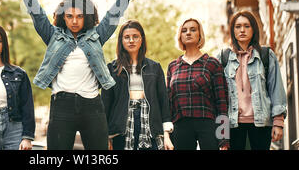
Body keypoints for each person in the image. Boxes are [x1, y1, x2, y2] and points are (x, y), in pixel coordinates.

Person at [10, 0, 146, 150]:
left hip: (92, 106)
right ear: (63, 17)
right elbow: (35, 11)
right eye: (69, 16)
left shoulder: (97, 36)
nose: (74, 21)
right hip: (62, 105)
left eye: (80, 16)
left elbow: (116, 10)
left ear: (87, 17)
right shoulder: (53, 35)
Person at [217, 11, 287, 150]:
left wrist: (278, 123)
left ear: (253, 29)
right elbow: (219, 99)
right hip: (232, 125)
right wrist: (221, 132)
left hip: (261, 123)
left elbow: (276, 89)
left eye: (246, 26)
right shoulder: (223, 58)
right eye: (238, 26)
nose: (242, 30)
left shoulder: (266, 55)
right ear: (233, 31)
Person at [101, 20, 174, 150]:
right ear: (121, 41)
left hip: (150, 125)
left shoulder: (155, 68)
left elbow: (163, 102)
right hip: (121, 128)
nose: (131, 40)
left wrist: (166, 135)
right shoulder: (112, 69)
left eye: (135, 36)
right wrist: (105, 137)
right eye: (127, 37)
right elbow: (105, 104)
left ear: (142, 40)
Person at [166, 18, 229, 150]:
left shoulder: (213, 64)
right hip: (180, 126)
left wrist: (224, 139)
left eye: (193, 30)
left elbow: (222, 103)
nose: (188, 33)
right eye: (184, 30)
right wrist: (167, 134)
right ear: (180, 36)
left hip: (207, 125)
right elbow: (168, 103)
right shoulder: (173, 66)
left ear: (200, 34)